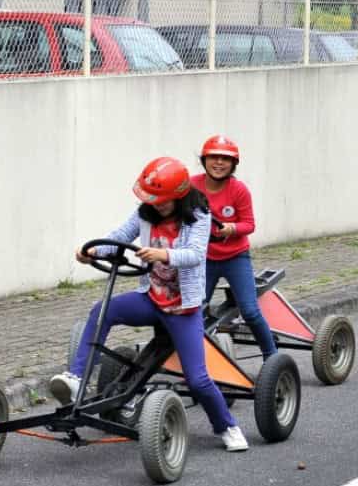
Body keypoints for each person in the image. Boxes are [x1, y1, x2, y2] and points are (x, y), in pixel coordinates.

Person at [50, 157, 249, 452]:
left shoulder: (198, 214)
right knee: (102, 310)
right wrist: (90, 250)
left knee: (197, 379)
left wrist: (163, 255)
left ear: (179, 196)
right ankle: (76, 378)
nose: (157, 206)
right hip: (151, 298)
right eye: (153, 200)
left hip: (183, 308)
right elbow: (119, 238)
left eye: (163, 201)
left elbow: (195, 254)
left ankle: (227, 426)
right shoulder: (145, 213)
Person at [195, 134, 278, 360]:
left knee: (250, 311)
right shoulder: (192, 186)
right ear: (204, 160)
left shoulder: (238, 190)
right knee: (196, 312)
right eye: (214, 157)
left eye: (225, 159)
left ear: (233, 164)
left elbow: (249, 224)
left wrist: (232, 229)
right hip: (204, 258)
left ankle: (272, 357)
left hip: (235, 257)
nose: (219, 163)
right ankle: (198, 360)